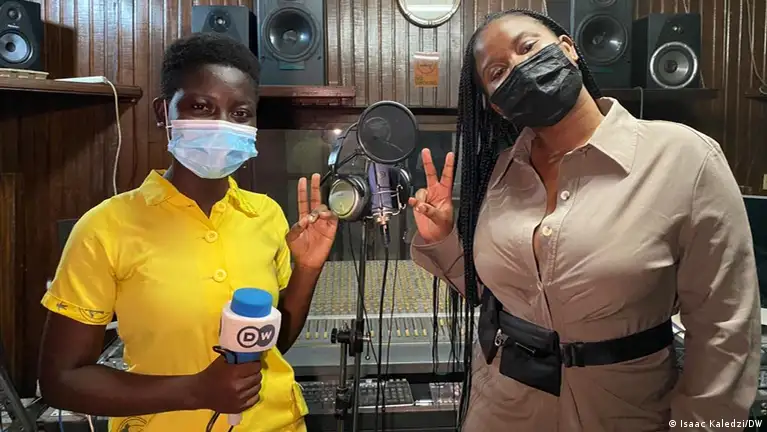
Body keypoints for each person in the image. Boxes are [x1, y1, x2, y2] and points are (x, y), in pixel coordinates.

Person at [408, 9, 760, 431]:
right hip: (499, 407)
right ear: (497, 106)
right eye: (498, 72)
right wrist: (444, 237)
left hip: (624, 412)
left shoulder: (685, 157)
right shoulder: (499, 171)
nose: (519, 67)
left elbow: (725, 329)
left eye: (528, 47)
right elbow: (501, 294)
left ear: (568, 49)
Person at [38, 33, 337, 432]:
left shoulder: (266, 215)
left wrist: (307, 269)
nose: (222, 124)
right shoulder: (105, 227)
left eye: (240, 112)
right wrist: (194, 391)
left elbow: (268, 346)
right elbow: (61, 381)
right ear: (163, 112)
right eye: (201, 107)